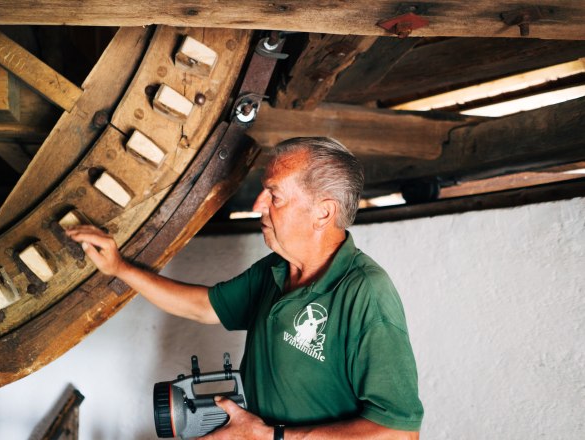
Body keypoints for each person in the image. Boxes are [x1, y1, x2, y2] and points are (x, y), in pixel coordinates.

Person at [66, 137, 423, 439]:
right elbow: (203, 306)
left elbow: (399, 432)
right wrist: (119, 268)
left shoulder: (365, 292)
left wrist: (271, 437)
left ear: (323, 213)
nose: (257, 206)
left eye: (274, 196)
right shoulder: (276, 269)